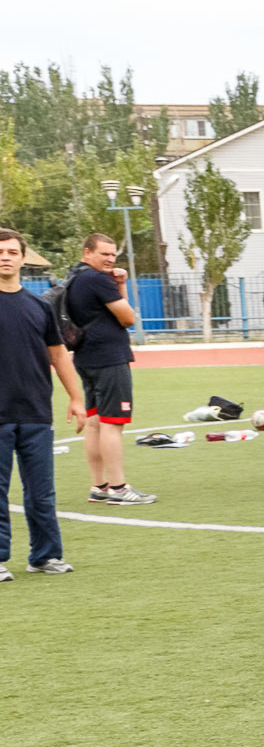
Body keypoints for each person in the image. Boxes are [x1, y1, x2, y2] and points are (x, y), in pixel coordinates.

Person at [0, 229, 86, 580]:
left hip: (36, 412)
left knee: (42, 492)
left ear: (23, 258)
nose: (5, 257)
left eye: (11, 251)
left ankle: (45, 555)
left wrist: (76, 397)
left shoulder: (38, 306)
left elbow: (59, 355)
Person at [68, 233, 153, 506]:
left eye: (112, 255)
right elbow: (127, 317)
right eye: (103, 254)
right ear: (87, 252)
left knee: (94, 424)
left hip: (85, 357)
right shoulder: (97, 279)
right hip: (109, 357)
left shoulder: (74, 278)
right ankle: (118, 488)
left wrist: (119, 284)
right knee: (112, 424)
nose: (109, 259)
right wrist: (121, 286)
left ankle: (99, 485)